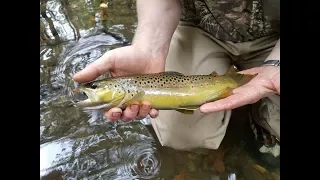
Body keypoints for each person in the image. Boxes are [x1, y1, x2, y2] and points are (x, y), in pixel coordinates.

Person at [73, 0, 280, 167]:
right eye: (95, 87)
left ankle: (260, 118)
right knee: (181, 133)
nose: (91, 90)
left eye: (94, 87)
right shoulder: (127, 88)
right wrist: (149, 48)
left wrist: (276, 64)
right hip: (197, 28)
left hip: (275, 35)